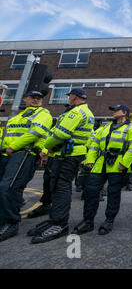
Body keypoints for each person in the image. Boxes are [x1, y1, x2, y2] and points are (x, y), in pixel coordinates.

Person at [29, 88, 95, 244]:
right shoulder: (85, 112)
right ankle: (54, 219)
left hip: (67, 155)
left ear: (74, 97)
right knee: (57, 186)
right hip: (68, 153)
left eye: (69, 96)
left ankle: (60, 223)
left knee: (61, 188)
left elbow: (61, 133)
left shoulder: (76, 112)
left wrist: (48, 146)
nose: (68, 98)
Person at [72, 105, 132, 235]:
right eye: (113, 110)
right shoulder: (105, 127)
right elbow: (94, 144)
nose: (114, 112)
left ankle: (109, 220)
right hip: (100, 164)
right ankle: (88, 221)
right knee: (91, 191)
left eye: (116, 110)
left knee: (113, 193)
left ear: (125, 113)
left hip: (117, 165)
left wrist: (124, 164)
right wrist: (90, 160)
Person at [0, 91, 53, 242]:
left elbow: (35, 132)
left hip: (24, 153)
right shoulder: (16, 117)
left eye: (39, 98)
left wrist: (13, 147)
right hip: (7, 154)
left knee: (9, 187)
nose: (36, 100)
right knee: (5, 188)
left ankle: (11, 223)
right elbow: (7, 136)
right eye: (33, 97)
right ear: (26, 99)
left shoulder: (43, 113)